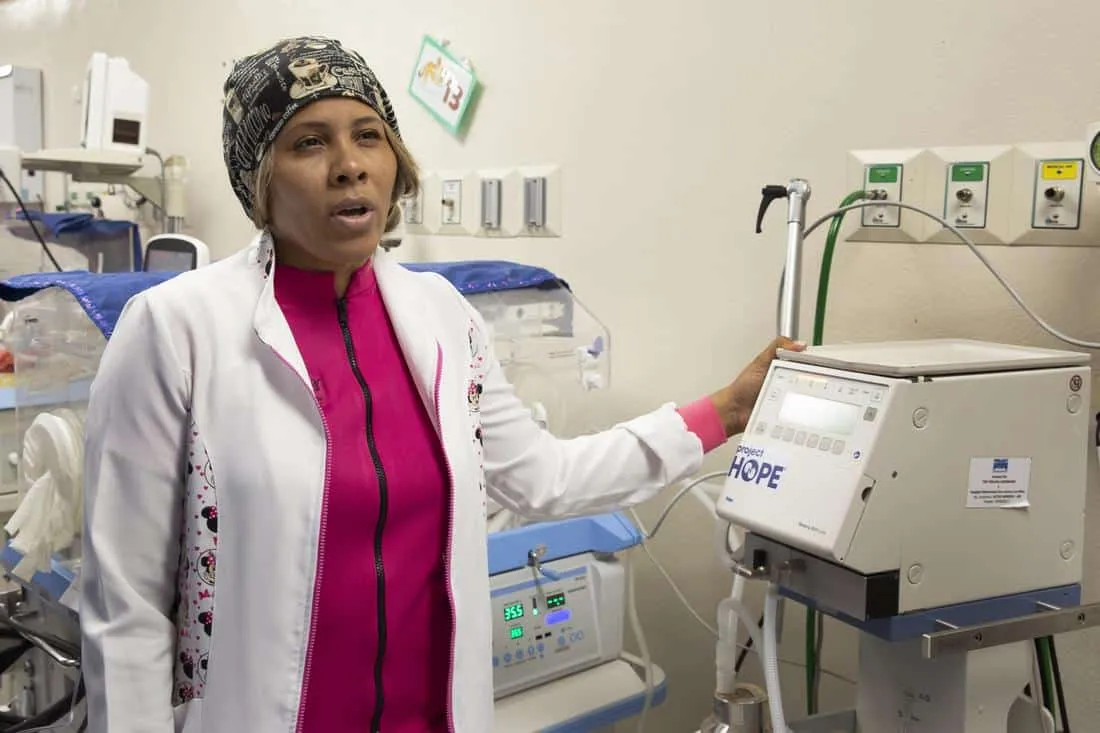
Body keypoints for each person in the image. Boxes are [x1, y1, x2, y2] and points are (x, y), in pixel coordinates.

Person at [79, 35, 803, 733]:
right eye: (309, 141)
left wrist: (724, 410)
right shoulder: (175, 332)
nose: (349, 165)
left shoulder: (441, 318)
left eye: (368, 135)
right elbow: (127, 607)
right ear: (258, 179)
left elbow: (546, 476)